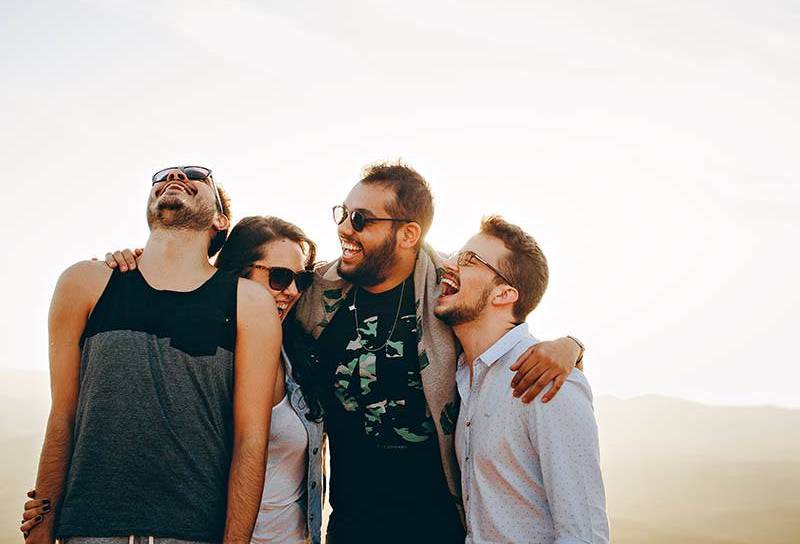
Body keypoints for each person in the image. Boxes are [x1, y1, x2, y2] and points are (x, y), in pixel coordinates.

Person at [294, 162, 586, 543]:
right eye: (344, 214)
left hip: (441, 528)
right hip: (350, 526)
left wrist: (571, 346)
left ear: (408, 233)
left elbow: (507, 319)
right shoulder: (317, 292)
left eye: (362, 219)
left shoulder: (447, 289)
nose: (345, 228)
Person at [24, 216, 327, 544]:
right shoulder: (194, 358)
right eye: (280, 277)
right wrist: (48, 509)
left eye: (303, 279)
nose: (293, 291)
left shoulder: (301, 358)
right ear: (238, 274)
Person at [434, 215, 609, 543]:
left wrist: (573, 346)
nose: (449, 265)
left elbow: (584, 534)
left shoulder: (548, 380)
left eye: (469, 260)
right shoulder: (464, 378)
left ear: (504, 294)